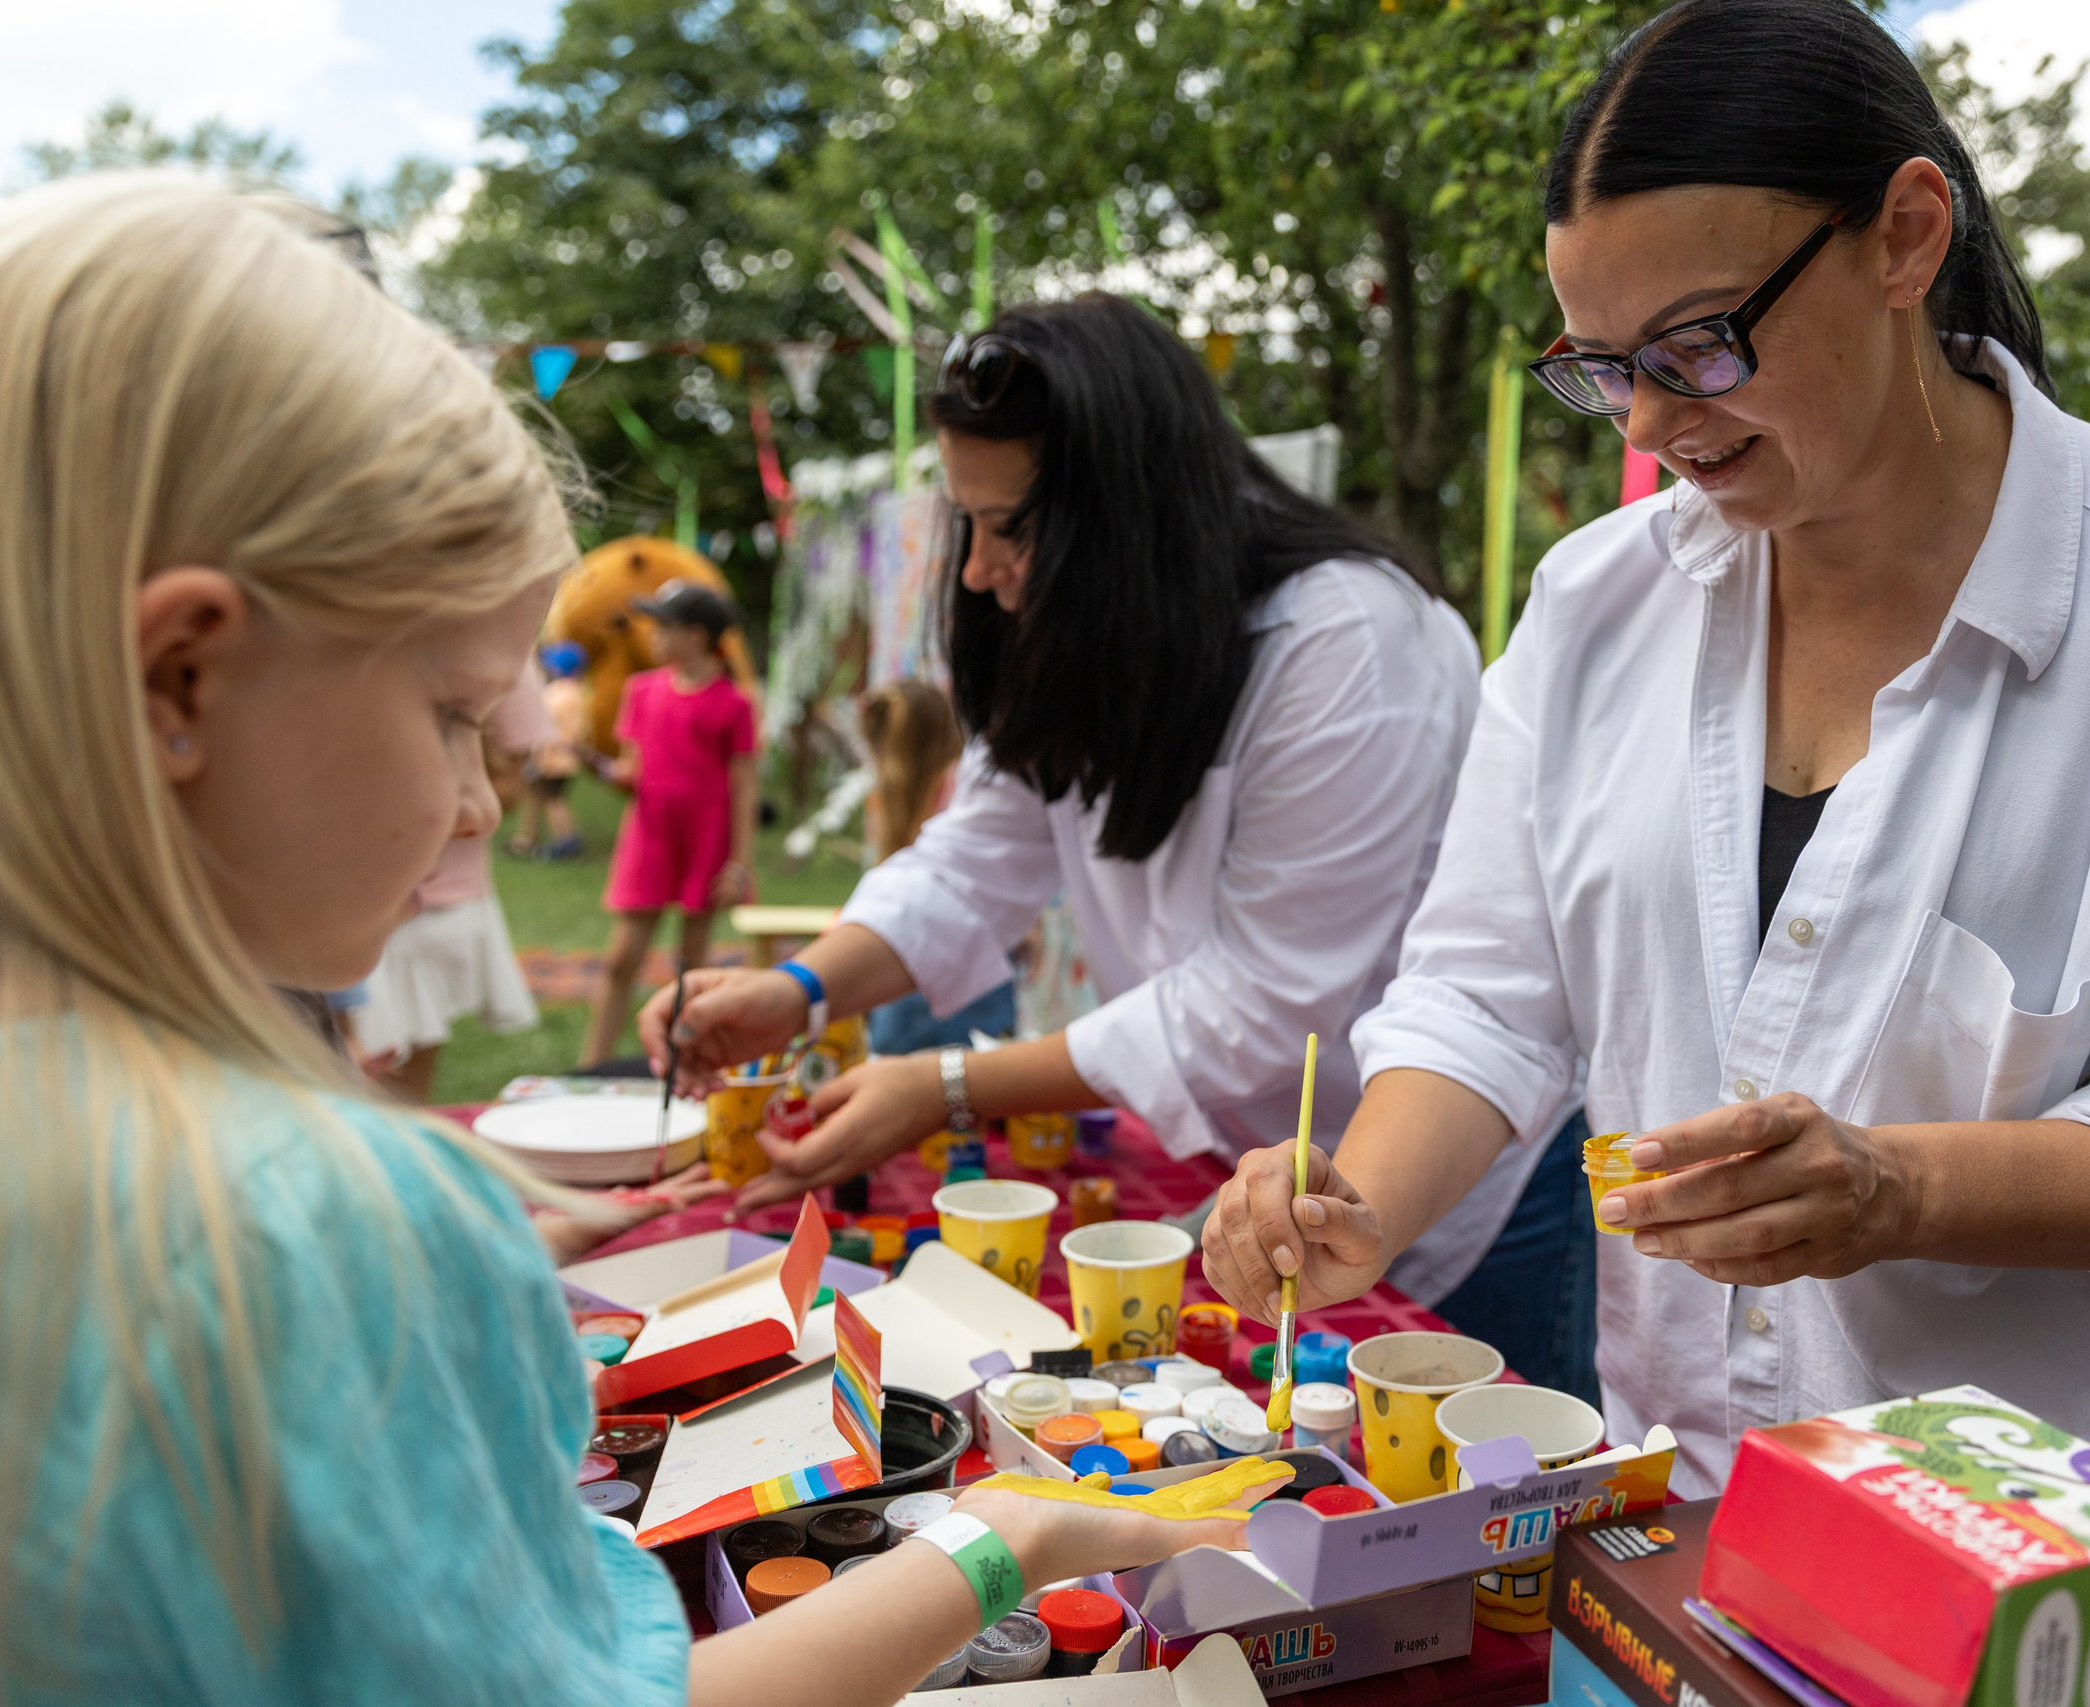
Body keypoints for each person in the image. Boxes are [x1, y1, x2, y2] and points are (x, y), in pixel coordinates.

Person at [1202, 4, 2090, 1702]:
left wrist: (1903, 1188)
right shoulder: (1599, 607)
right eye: (1603, 364)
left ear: (1908, 236)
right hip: (1724, 1565)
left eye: (1701, 345)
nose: (1652, 423)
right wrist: (1357, 1197)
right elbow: (1488, 991)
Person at [0, 174, 1254, 1707]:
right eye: (452, 711)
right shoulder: (336, 1235)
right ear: (182, 677)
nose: (478, 803)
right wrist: (1004, 1538)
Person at [641, 294, 1600, 1399]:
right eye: (968, 523)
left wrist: (948, 1085)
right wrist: (799, 991)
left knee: (1473, 1481)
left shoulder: (1349, 641)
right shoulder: (1086, 627)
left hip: (1457, 1197)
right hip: (1253, 1173)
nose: (977, 571)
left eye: (1010, 528)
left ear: (1125, 512)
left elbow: (1261, 1001)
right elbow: (969, 864)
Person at [357, 656, 553, 1103]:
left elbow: (508, 786)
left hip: (436, 905)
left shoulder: (506, 656)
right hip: (338, 899)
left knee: (397, 1080)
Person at [581, 581, 759, 1067]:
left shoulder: (735, 703)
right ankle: (592, 1065)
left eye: (663, 626)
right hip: (650, 835)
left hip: (706, 837)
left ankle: (684, 1064)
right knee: (621, 961)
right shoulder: (641, 691)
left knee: (691, 967)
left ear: (696, 636)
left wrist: (739, 864)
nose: (653, 635)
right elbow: (632, 770)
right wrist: (593, 763)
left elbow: (745, 787)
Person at [856, 680, 1018, 1054]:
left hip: (912, 961)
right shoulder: (962, 782)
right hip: (968, 958)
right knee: (970, 1068)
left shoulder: (899, 789)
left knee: (901, 1066)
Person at [511, 638, 591, 859]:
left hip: (552, 757)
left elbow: (544, 728)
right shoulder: (578, 691)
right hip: (565, 756)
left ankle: (567, 841)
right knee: (543, 797)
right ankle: (527, 839)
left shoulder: (555, 694)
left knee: (553, 800)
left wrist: (536, 756)